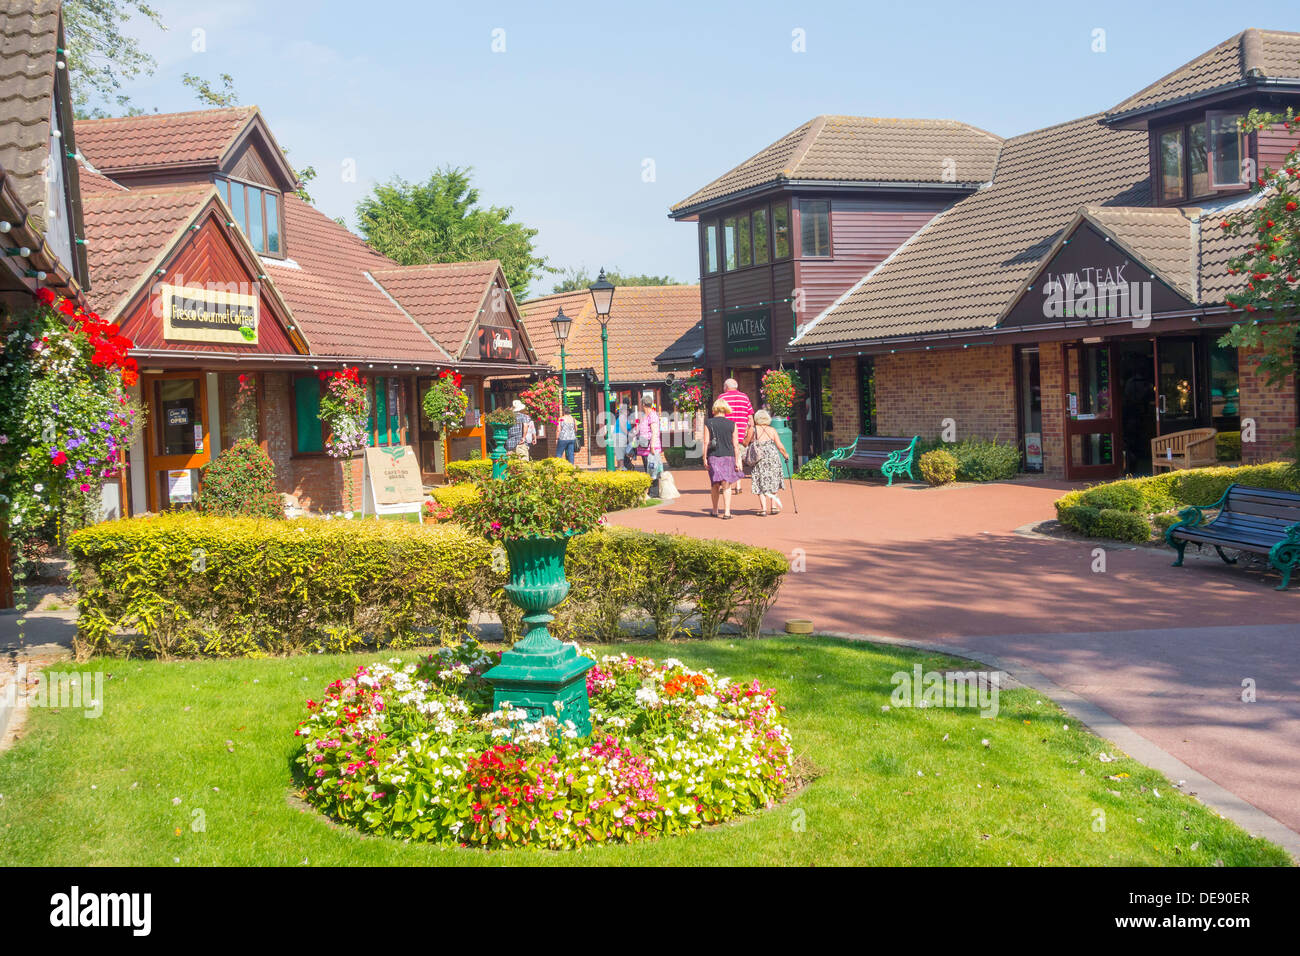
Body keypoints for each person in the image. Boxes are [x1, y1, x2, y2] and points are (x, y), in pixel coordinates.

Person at [703, 398, 743, 519]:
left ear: (715, 409)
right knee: (727, 485)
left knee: (715, 484)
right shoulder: (732, 424)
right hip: (728, 456)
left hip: (714, 456)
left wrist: (704, 458)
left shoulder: (708, 423)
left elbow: (705, 442)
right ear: (726, 409)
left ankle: (715, 510)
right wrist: (737, 460)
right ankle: (727, 512)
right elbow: (736, 445)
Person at [748, 409, 790, 515]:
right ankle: (774, 506)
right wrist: (785, 454)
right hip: (773, 457)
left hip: (759, 458)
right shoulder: (772, 430)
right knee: (774, 479)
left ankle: (763, 509)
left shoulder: (753, 429)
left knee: (760, 480)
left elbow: (746, 442)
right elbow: (779, 446)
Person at [717, 377, 754, 492]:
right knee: (738, 458)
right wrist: (749, 431)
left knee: (726, 458)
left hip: (725, 432)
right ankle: (738, 486)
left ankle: (726, 483)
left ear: (726, 387)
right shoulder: (744, 397)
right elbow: (750, 418)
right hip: (741, 433)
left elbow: (718, 414)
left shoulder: (722, 398)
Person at [635, 395, 663, 479]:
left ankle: (653, 492)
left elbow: (655, 432)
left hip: (651, 449)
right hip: (644, 448)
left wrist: (652, 446)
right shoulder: (644, 416)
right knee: (648, 473)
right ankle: (651, 492)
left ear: (643, 404)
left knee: (653, 472)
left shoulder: (652, 415)